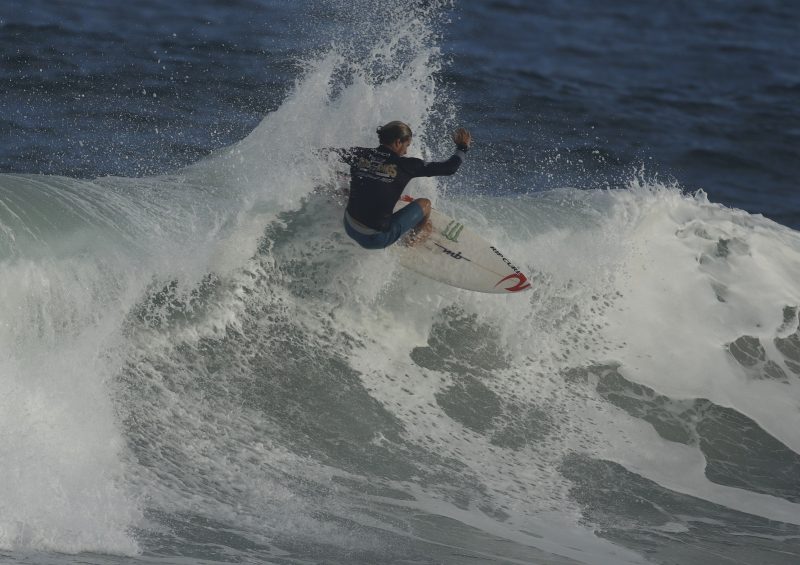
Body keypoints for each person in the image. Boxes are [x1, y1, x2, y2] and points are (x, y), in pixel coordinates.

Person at [333, 121, 471, 249]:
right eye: (407, 145)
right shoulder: (406, 165)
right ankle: (412, 240)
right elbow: (449, 168)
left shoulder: (358, 153)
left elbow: (326, 153)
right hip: (375, 239)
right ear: (398, 142)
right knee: (425, 204)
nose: (406, 151)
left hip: (349, 225)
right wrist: (462, 147)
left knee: (352, 181)